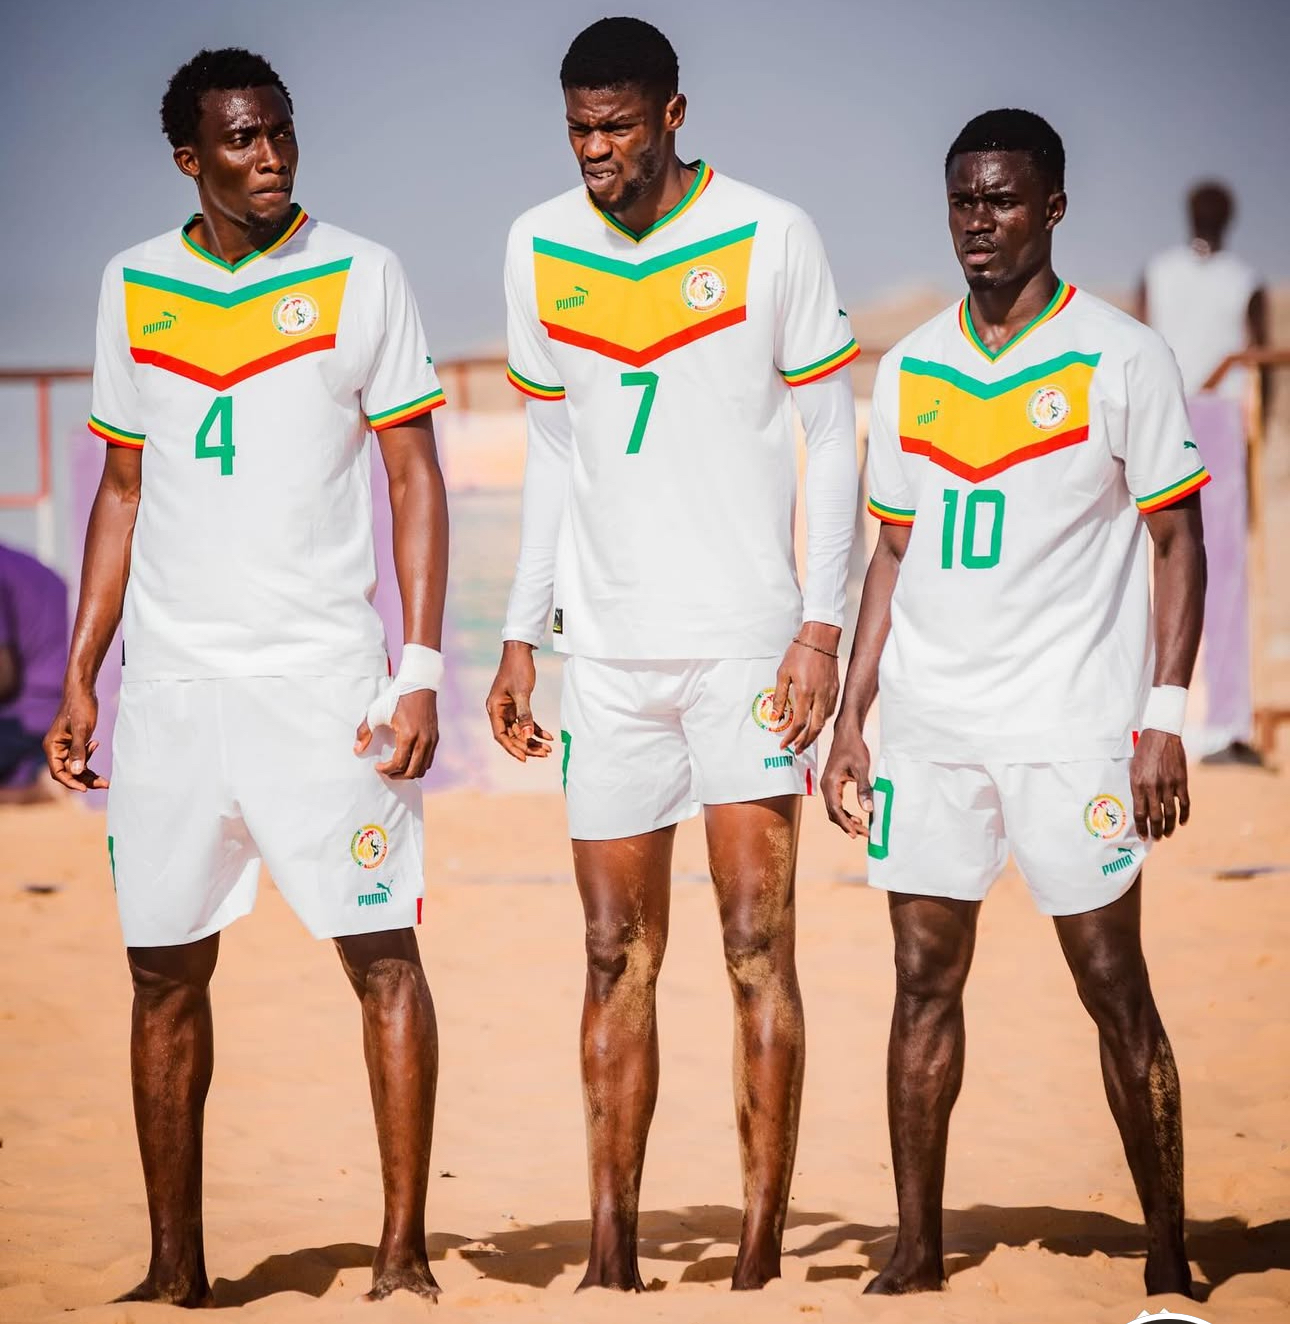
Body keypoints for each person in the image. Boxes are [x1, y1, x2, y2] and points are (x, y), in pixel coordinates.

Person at [43, 48, 450, 1304]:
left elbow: (413, 476)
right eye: (241, 140)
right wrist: (80, 673)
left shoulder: (360, 272)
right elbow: (120, 490)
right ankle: (175, 1267)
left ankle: (402, 1253)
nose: (269, 157)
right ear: (189, 159)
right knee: (162, 973)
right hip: (172, 693)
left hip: (325, 683)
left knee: (381, 954)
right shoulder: (130, 286)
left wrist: (420, 667)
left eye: (280, 133)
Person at [485, 17, 859, 1292]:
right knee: (611, 954)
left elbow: (833, 435)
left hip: (747, 646)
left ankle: (758, 1255)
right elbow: (550, 457)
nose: (597, 150)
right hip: (612, 657)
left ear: (674, 116)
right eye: (581, 128)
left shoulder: (771, 233)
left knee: (758, 945)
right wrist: (520, 630)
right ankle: (612, 1255)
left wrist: (822, 625)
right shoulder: (537, 246)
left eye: (620, 127)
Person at [823, 109, 1207, 1298]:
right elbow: (889, 554)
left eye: (1000, 200)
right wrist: (852, 716)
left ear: (1052, 206)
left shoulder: (1121, 354)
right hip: (931, 730)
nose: (976, 223)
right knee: (922, 982)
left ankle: (1167, 1250)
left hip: (1070, 727)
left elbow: (1179, 542)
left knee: (1112, 985)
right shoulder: (913, 365)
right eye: (961, 201)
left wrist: (1165, 718)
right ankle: (917, 1246)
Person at [1139, 182, 1267, 765]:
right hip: (1213, 417)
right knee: (1223, 572)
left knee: (1154, 565)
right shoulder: (1245, 280)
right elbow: (1260, 361)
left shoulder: (1157, 273)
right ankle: (1226, 722)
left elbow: (1138, 346)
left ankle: (1151, 718)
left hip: (1164, 412)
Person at [0, 542, 68, 805]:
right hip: (55, 711)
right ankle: (38, 778)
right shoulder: (11, 559)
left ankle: (36, 785)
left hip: (42, 714)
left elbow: (4, 677)